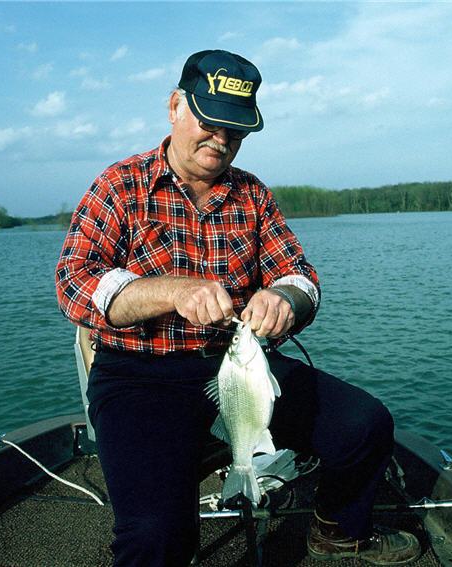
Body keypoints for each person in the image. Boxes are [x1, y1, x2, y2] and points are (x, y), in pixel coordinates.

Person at [55, 49, 420, 567]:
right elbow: (74, 283)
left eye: (236, 129)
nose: (221, 139)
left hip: (240, 364)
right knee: (155, 532)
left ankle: (337, 529)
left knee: (365, 424)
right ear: (175, 106)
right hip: (139, 375)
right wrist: (172, 291)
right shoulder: (119, 186)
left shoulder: (252, 194)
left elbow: (301, 276)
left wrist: (285, 299)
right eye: (210, 121)